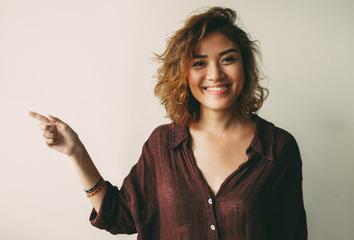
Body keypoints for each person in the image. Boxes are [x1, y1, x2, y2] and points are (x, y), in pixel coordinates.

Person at [29, 7, 307, 240]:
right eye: (199, 63)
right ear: (183, 73)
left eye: (228, 59)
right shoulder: (162, 145)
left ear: (244, 66)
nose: (215, 74)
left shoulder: (278, 148)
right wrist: (76, 152)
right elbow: (122, 216)